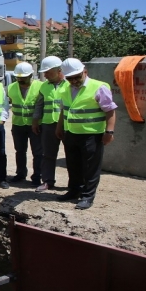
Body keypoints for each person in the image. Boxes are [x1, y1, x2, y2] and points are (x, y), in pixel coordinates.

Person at [55, 58, 117, 210]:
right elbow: (65, 110)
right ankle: (74, 191)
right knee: (73, 165)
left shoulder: (98, 87)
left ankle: (87, 196)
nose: (74, 80)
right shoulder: (64, 89)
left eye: (77, 77)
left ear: (85, 72)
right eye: (70, 78)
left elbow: (110, 110)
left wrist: (109, 131)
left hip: (92, 135)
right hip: (71, 133)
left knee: (90, 167)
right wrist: (59, 127)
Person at [32, 56, 67, 192]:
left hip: (67, 125)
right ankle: (47, 181)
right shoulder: (44, 87)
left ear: (59, 70)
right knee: (48, 155)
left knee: (72, 156)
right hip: (48, 124)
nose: (45, 75)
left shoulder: (69, 84)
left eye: (47, 72)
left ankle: (74, 185)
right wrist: (35, 121)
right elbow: (39, 106)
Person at [7, 62, 43, 187]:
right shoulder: (11, 87)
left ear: (31, 75)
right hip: (18, 125)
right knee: (20, 151)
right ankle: (20, 173)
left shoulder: (40, 86)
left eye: (24, 77)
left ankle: (37, 176)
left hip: (36, 125)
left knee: (38, 152)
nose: (21, 80)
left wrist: (36, 122)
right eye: (18, 77)